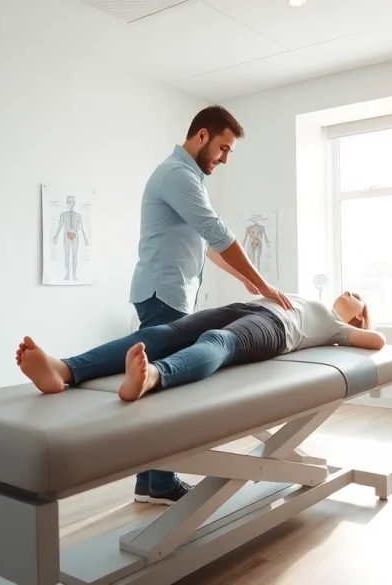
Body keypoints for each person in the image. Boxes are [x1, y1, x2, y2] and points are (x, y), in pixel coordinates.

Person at [13, 291, 384, 503]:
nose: (350, 293)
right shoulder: (310, 297)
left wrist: (355, 326)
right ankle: (63, 370)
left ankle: (154, 376)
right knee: (162, 332)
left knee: (217, 343)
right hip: (246, 306)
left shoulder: (337, 327)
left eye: (358, 298)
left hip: (274, 328)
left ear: (356, 317)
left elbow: (377, 341)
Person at [122, 105, 292, 505]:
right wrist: (265, 284)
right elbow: (217, 232)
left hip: (165, 293)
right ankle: (162, 482)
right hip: (162, 295)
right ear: (202, 136)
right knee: (170, 390)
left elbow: (204, 243)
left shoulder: (188, 177)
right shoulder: (178, 176)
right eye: (223, 148)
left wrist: (247, 280)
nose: (224, 158)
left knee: (158, 391)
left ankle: (149, 481)